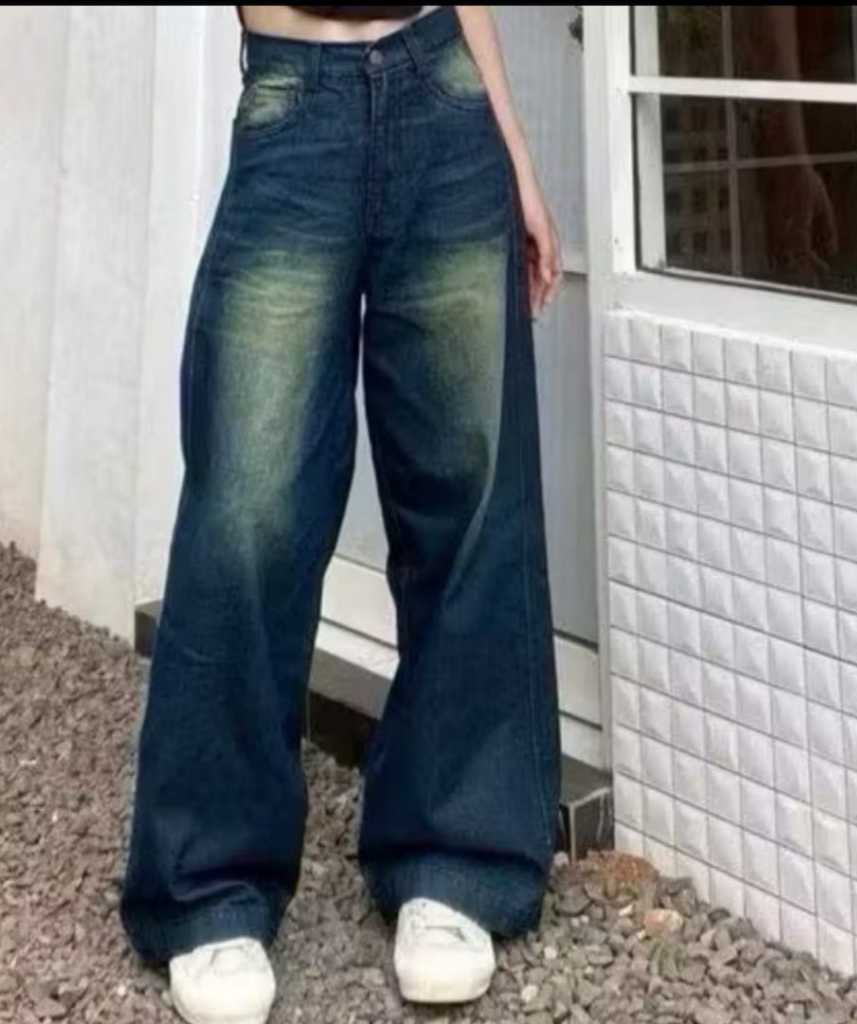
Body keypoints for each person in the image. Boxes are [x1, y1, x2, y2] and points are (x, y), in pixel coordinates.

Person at [118, 6, 564, 1022]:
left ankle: (457, 856)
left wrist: (514, 151)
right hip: (295, 104)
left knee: (469, 495)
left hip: (445, 93)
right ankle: (208, 885)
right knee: (246, 511)